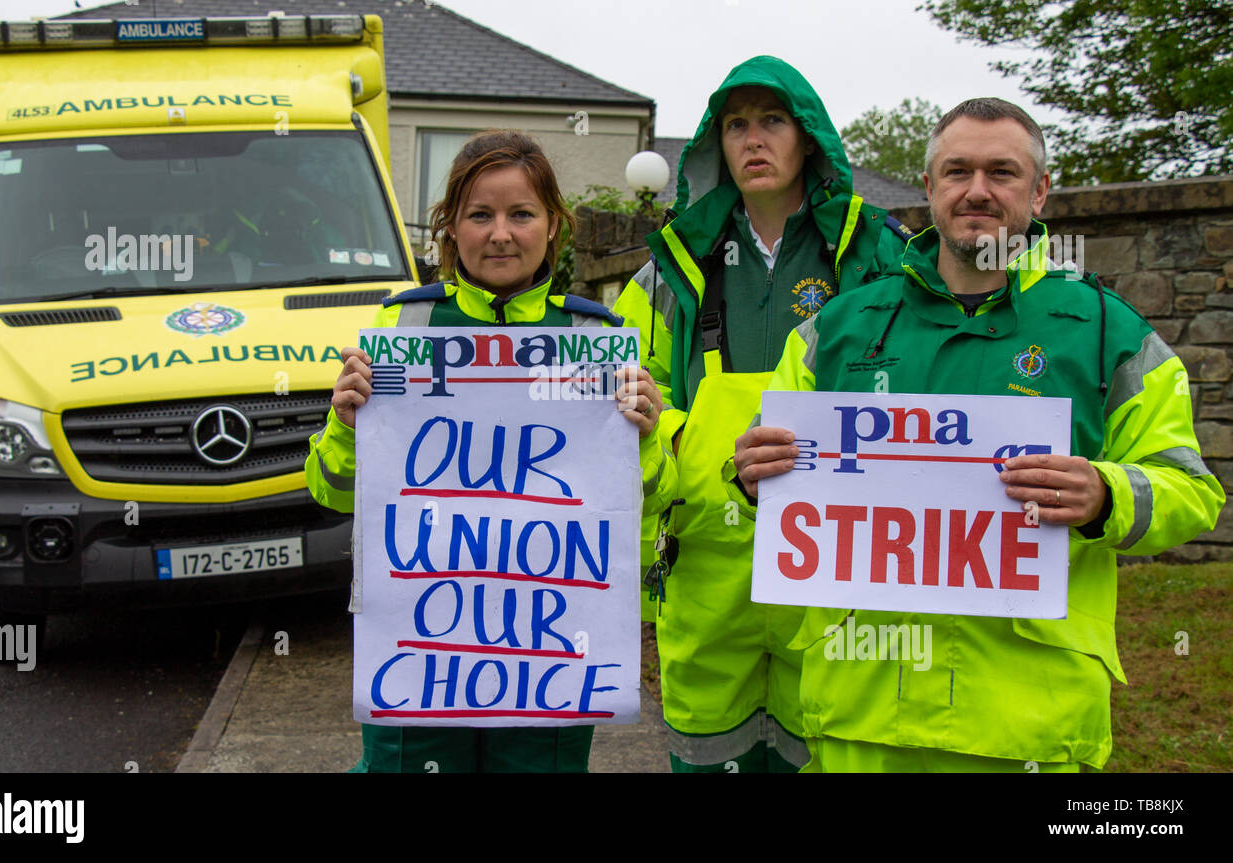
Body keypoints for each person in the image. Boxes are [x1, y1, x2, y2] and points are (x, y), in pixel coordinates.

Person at [734, 98, 1225, 772]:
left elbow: (1191, 490)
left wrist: (1105, 493)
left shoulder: (1109, 331)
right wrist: (754, 472)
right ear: (929, 188)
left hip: (1028, 726)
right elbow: (769, 471)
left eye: (1003, 172)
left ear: (1040, 189)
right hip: (859, 717)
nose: (978, 191)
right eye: (957, 171)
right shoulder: (837, 329)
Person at [305, 130, 664, 773]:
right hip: (420, 647)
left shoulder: (597, 339)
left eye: (521, 214)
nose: (501, 233)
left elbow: (653, 499)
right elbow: (331, 491)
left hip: (547, 655)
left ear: (554, 226)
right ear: (450, 227)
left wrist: (646, 435)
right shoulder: (400, 330)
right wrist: (345, 424)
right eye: (480, 214)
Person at [610, 55, 912, 772]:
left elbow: (927, 373)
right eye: (736, 125)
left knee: (833, 742)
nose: (753, 139)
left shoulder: (879, 252)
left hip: (839, 554)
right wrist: (672, 430)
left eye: (772, 121)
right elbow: (622, 381)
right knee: (709, 746)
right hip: (710, 563)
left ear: (807, 136)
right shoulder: (673, 262)